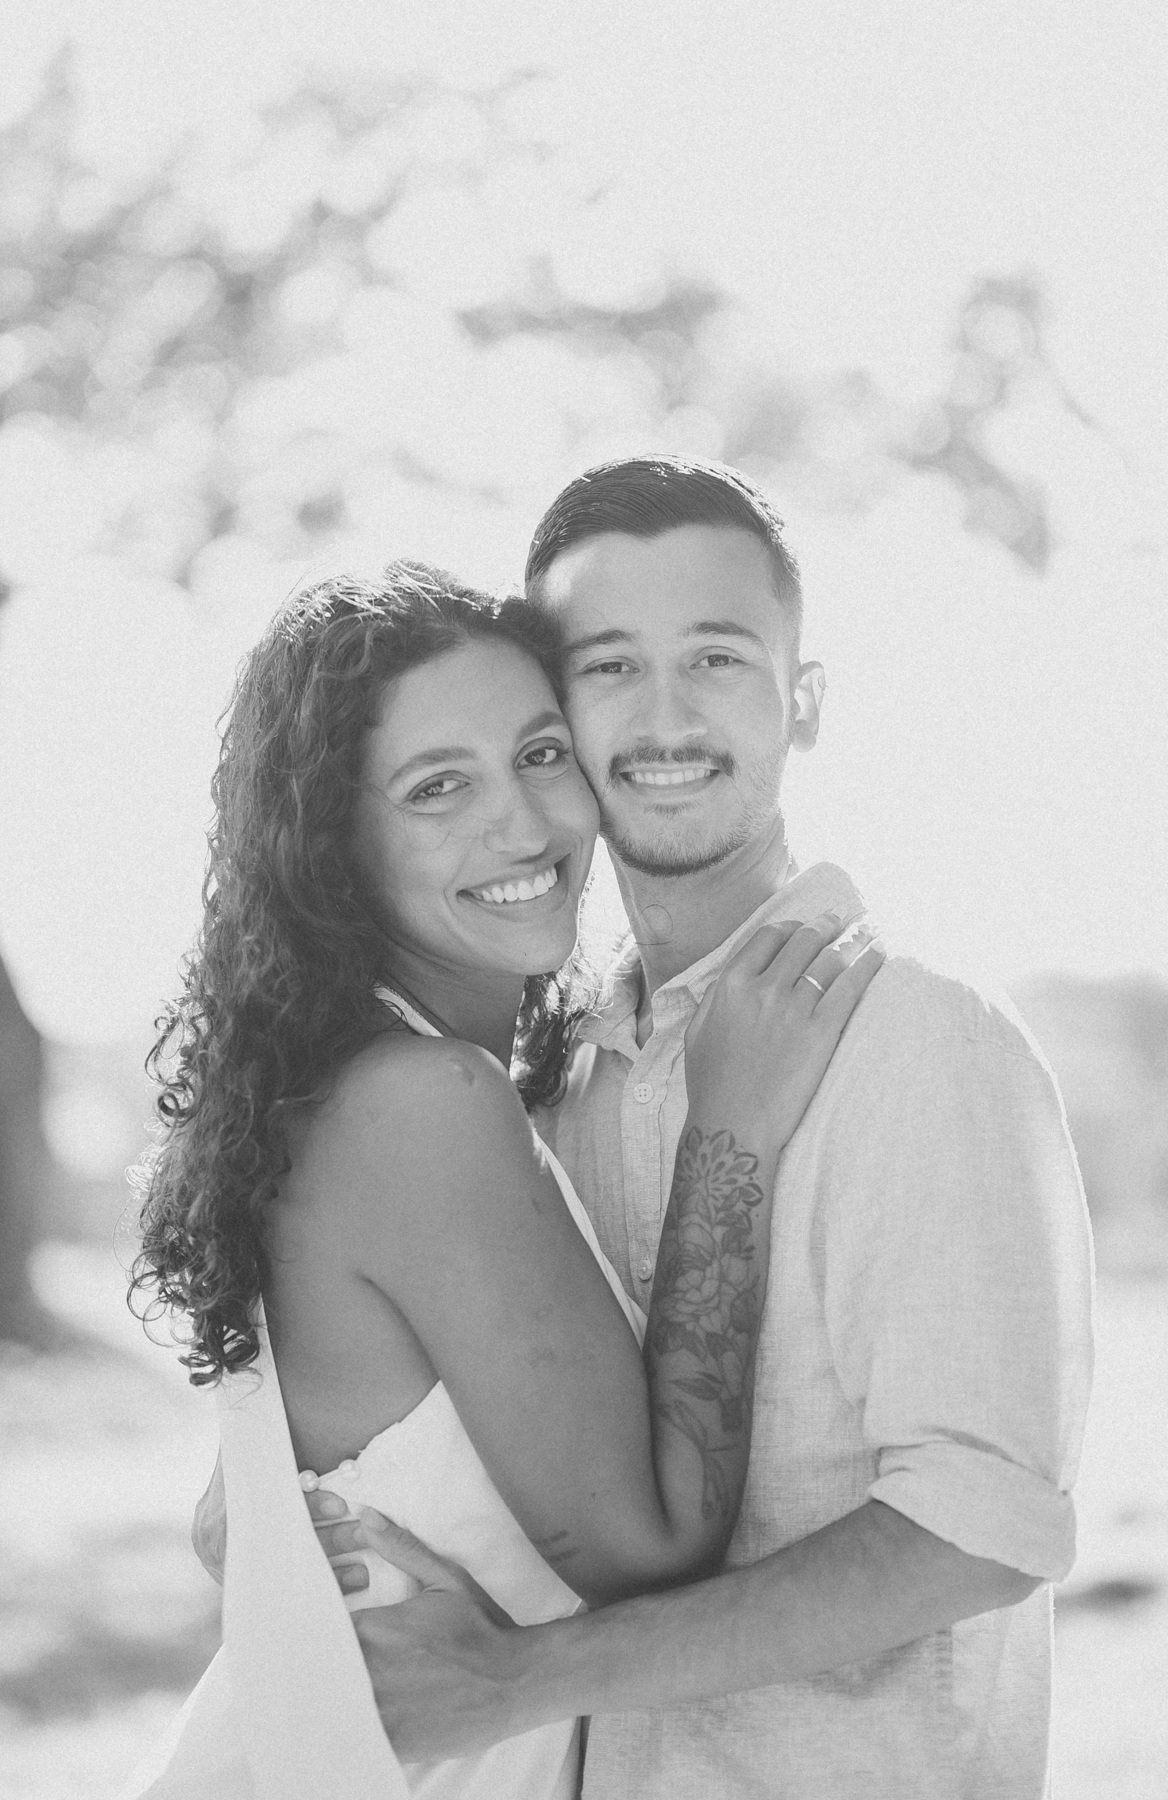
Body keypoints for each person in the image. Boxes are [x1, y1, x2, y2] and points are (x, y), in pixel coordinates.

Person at [304, 458, 1095, 1800]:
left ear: (804, 701)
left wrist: (526, 1679)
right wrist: (283, 1523)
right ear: (554, 715)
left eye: (717, 659)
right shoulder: (553, 1072)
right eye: (609, 666)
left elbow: (978, 1530)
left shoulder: (925, 1039)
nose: (665, 717)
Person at [123, 558, 882, 1800]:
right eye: (438, 787)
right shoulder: (423, 1102)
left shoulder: (375, 1085)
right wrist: (731, 1131)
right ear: (333, 845)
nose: (524, 826)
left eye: (540, 754)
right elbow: (650, 1552)